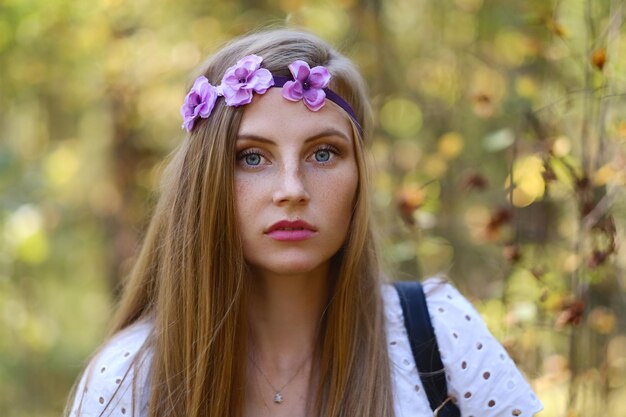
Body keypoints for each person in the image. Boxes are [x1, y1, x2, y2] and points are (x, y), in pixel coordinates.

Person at [66, 29, 544, 417]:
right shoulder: (131, 378)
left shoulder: (440, 337)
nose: (292, 188)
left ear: (358, 171)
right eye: (252, 157)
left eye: (323, 153)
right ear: (205, 182)